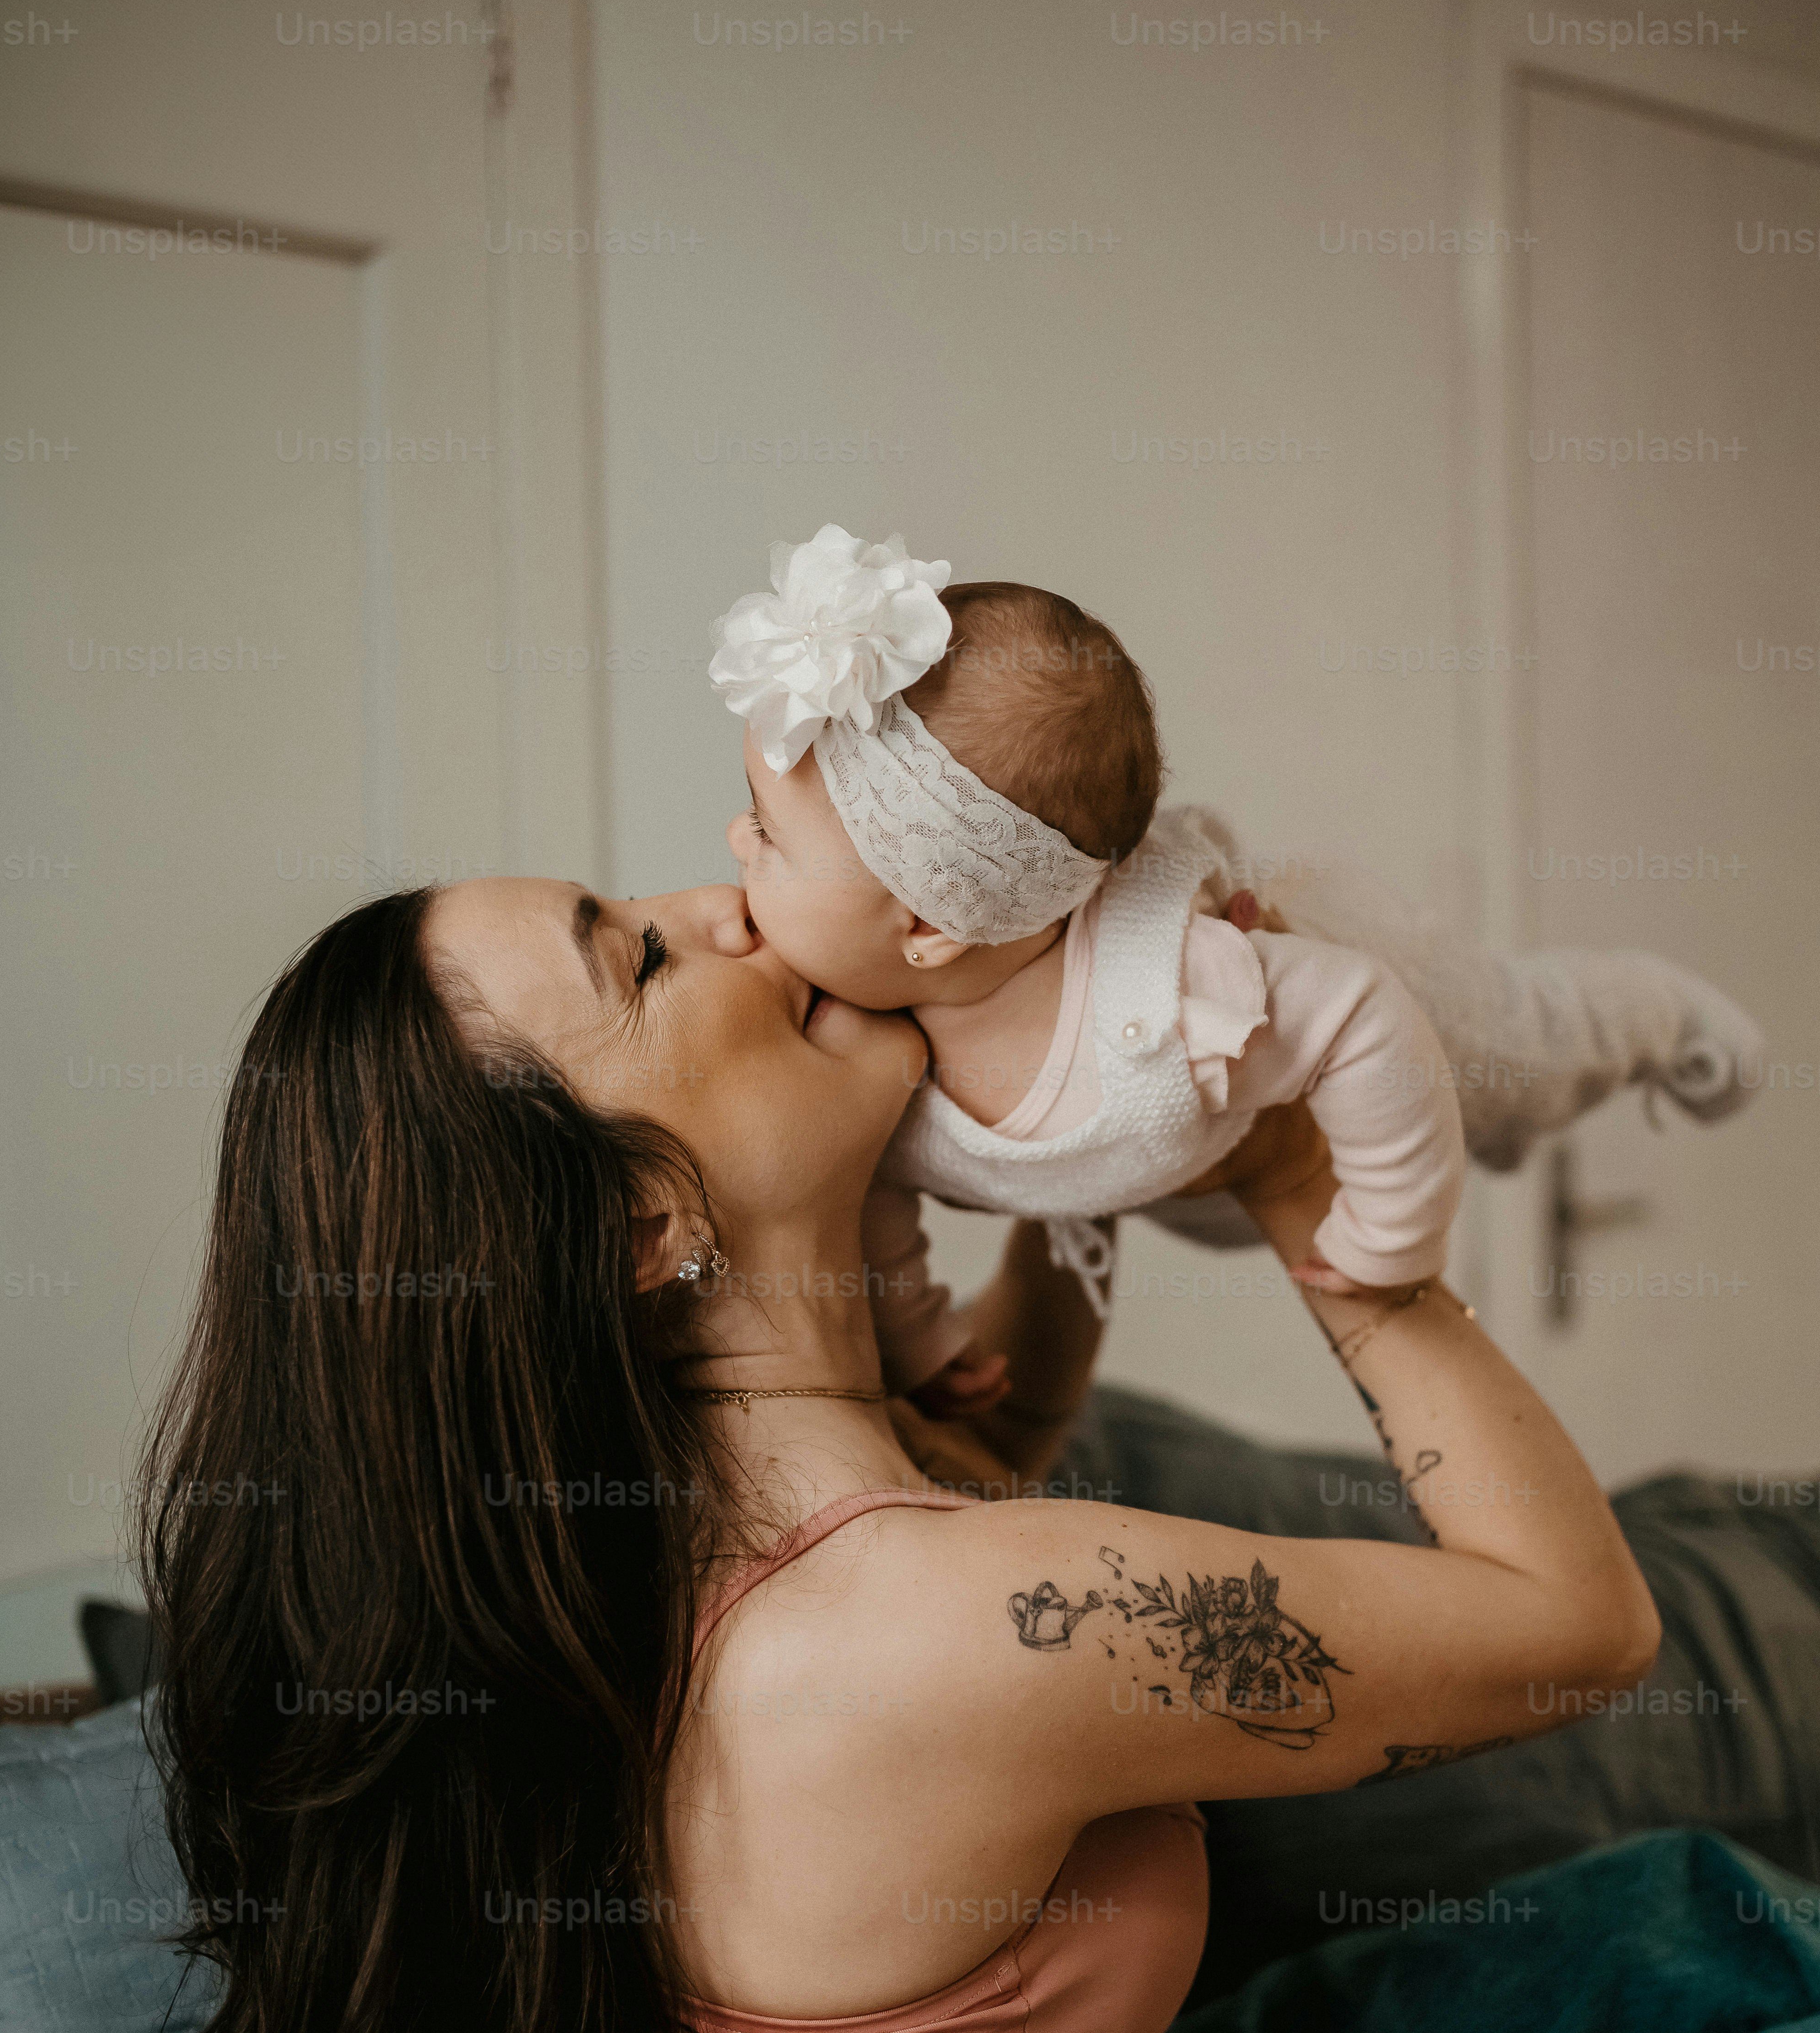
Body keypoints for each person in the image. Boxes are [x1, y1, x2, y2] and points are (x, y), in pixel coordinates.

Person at [109, 874, 1820, 2033]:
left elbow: (993, 1453)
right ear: (643, 1221)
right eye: (634, 956)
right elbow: (1573, 1619)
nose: (726, 903)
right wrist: (1334, 1196)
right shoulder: (929, 1634)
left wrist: (1115, 1130)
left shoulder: (645, 1535)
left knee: (1683, 1916)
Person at [708, 523, 1763, 1392]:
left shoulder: (1172, 987)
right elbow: (874, 1198)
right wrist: (922, 1336)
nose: (734, 842)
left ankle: (1658, 1019)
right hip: (1205, 1187)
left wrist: (1395, 1228)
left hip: (1375, 1017)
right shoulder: (849, 1042)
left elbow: (1362, 1013)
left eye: (769, 837)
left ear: (928, 929)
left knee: (1524, 1055)